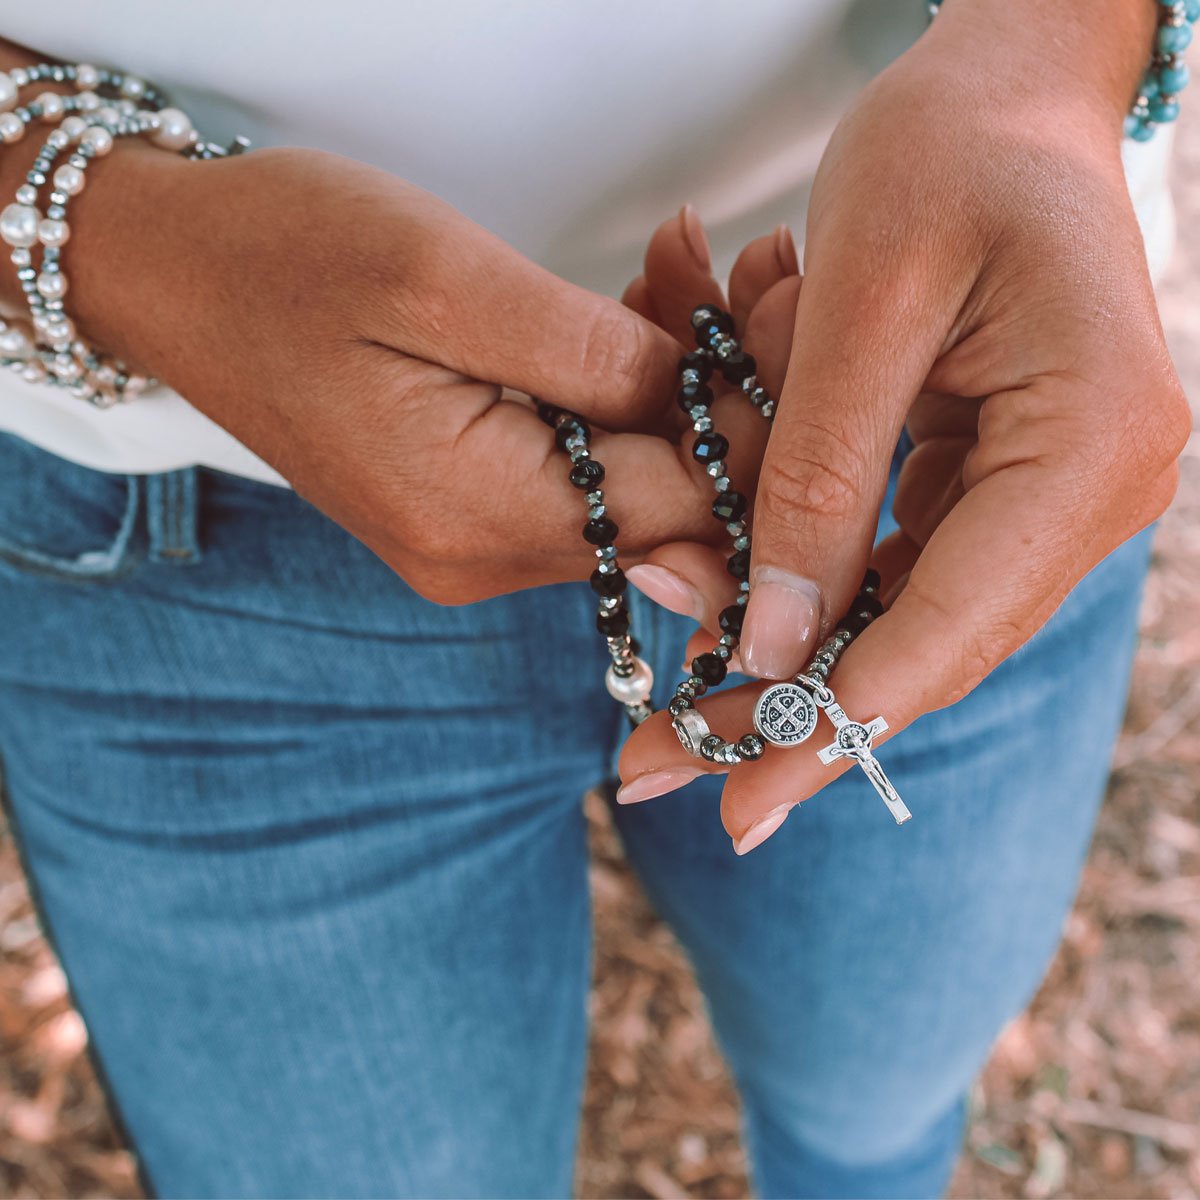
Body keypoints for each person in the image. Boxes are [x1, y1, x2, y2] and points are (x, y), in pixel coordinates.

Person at [0, 2, 1189, 1197]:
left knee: (878, 1108)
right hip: (188, 525)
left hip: (938, 410)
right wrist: (128, 247)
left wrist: (1051, 50)